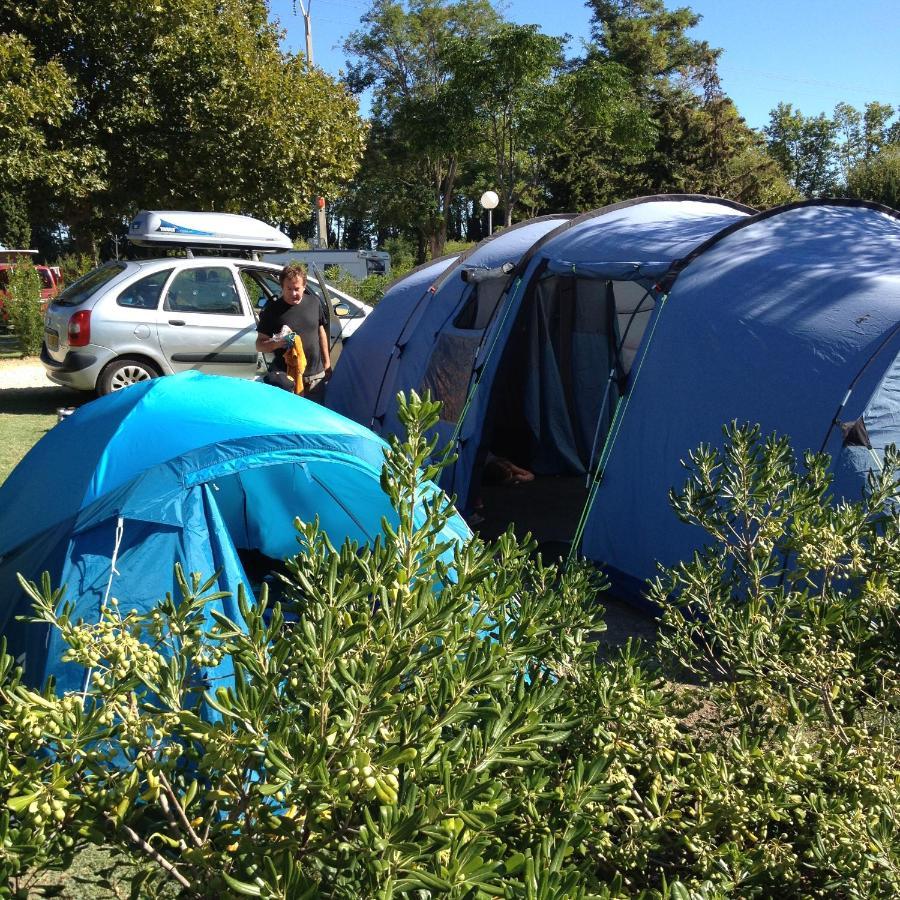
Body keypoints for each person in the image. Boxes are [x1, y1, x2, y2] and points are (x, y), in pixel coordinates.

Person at [256, 262, 331, 399]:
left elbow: (321, 333)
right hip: (286, 379)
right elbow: (259, 345)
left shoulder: (314, 303)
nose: (293, 293)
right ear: (282, 287)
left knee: (314, 417)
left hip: (315, 377)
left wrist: (327, 363)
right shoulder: (272, 310)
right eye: (288, 289)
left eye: (297, 288)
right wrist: (278, 343)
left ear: (304, 286)